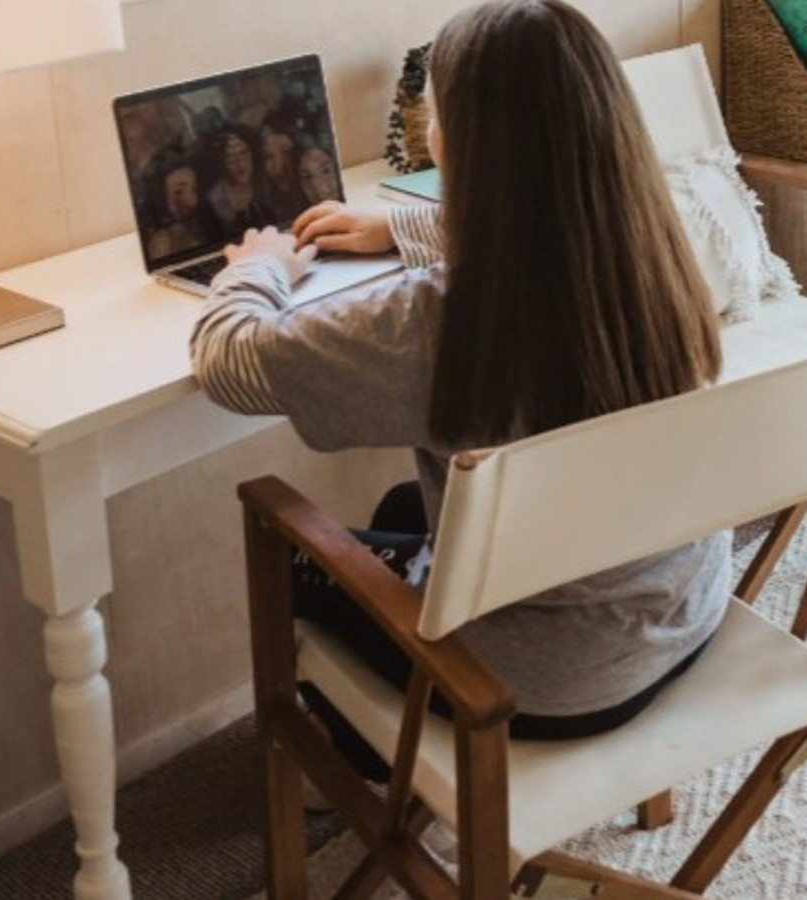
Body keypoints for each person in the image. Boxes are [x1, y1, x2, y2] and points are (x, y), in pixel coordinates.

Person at [191, 0, 729, 768]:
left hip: (536, 682)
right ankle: (390, 745)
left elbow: (231, 365)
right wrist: (402, 228)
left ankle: (353, 774)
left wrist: (255, 272)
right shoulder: (655, 254)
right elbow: (545, 222)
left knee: (291, 554)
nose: (431, 136)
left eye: (437, 120)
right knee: (407, 505)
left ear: (468, 149)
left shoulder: (438, 322)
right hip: (679, 614)